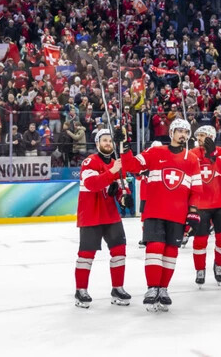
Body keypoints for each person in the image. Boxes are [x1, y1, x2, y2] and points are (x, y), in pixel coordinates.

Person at [120, 119, 202, 312]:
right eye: (179, 131)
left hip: (178, 213)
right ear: (171, 133)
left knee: (171, 252)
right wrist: (125, 148)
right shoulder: (155, 152)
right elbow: (131, 165)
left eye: (186, 132)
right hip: (155, 211)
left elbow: (196, 189)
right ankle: (152, 288)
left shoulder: (192, 159)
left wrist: (193, 211)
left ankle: (163, 289)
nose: (183, 135)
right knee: (155, 248)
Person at [73, 129, 131, 308]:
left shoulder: (117, 164)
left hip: (110, 215)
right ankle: (81, 290)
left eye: (110, 140)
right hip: (91, 215)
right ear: (97, 143)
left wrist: (124, 197)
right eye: (104, 140)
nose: (108, 143)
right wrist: (112, 172)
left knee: (119, 251)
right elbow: (92, 184)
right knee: (86, 255)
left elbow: (122, 188)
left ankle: (117, 288)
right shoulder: (89, 162)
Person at [190, 126, 221, 287]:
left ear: (211, 137)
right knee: (200, 240)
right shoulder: (192, 153)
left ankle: (218, 265)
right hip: (201, 203)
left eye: (203, 135)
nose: (199, 138)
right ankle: (200, 269)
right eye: (198, 135)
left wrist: (213, 154)